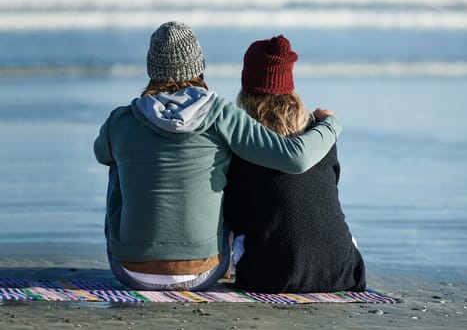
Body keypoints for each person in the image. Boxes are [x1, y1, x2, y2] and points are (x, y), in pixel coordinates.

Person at [93, 21, 341, 291]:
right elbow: (296, 158)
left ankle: (140, 248)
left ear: (151, 68)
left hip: (131, 272)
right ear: (199, 65)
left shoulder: (121, 119)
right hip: (204, 271)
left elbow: (100, 153)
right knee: (225, 159)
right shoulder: (221, 114)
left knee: (117, 162)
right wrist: (330, 124)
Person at [223, 35, 366, 293]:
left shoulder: (245, 144)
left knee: (239, 236)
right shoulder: (321, 138)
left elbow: (235, 216)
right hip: (343, 271)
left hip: (272, 277)